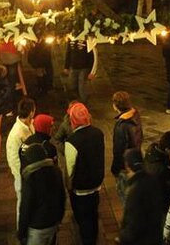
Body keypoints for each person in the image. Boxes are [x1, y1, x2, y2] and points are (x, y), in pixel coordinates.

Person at [18, 124, 65, 245]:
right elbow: (62, 197)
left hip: (37, 226)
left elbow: (26, 206)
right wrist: (59, 219)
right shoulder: (56, 171)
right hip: (52, 222)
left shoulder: (31, 178)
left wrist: (22, 232)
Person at [65, 103, 105, 245]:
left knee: (83, 220)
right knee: (94, 215)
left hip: (80, 189)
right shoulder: (98, 133)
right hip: (96, 184)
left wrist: (69, 187)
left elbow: (70, 169)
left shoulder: (72, 141)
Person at [118, 148, 165, 245]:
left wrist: (122, 237)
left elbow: (133, 224)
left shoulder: (134, 190)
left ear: (127, 165)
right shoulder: (153, 180)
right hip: (155, 236)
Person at [7, 97, 37, 227]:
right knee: (22, 203)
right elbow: (13, 159)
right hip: (23, 176)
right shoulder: (16, 134)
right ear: (31, 112)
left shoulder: (30, 125)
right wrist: (22, 176)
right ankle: (22, 229)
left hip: (32, 172)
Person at [111, 91, 144, 204]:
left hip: (126, 164)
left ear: (115, 105)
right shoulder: (135, 115)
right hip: (135, 157)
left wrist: (116, 168)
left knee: (125, 193)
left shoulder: (122, 125)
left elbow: (118, 149)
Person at [144, 131, 170, 214]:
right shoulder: (160, 168)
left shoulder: (152, 151)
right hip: (160, 204)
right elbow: (168, 191)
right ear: (167, 150)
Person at [64, 38, 97, 105]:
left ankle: (83, 103)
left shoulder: (88, 40)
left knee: (82, 87)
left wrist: (92, 72)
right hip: (73, 67)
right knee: (71, 85)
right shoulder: (71, 40)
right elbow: (68, 53)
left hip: (84, 68)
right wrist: (66, 66)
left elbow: (94, 56)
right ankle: (73, 103)